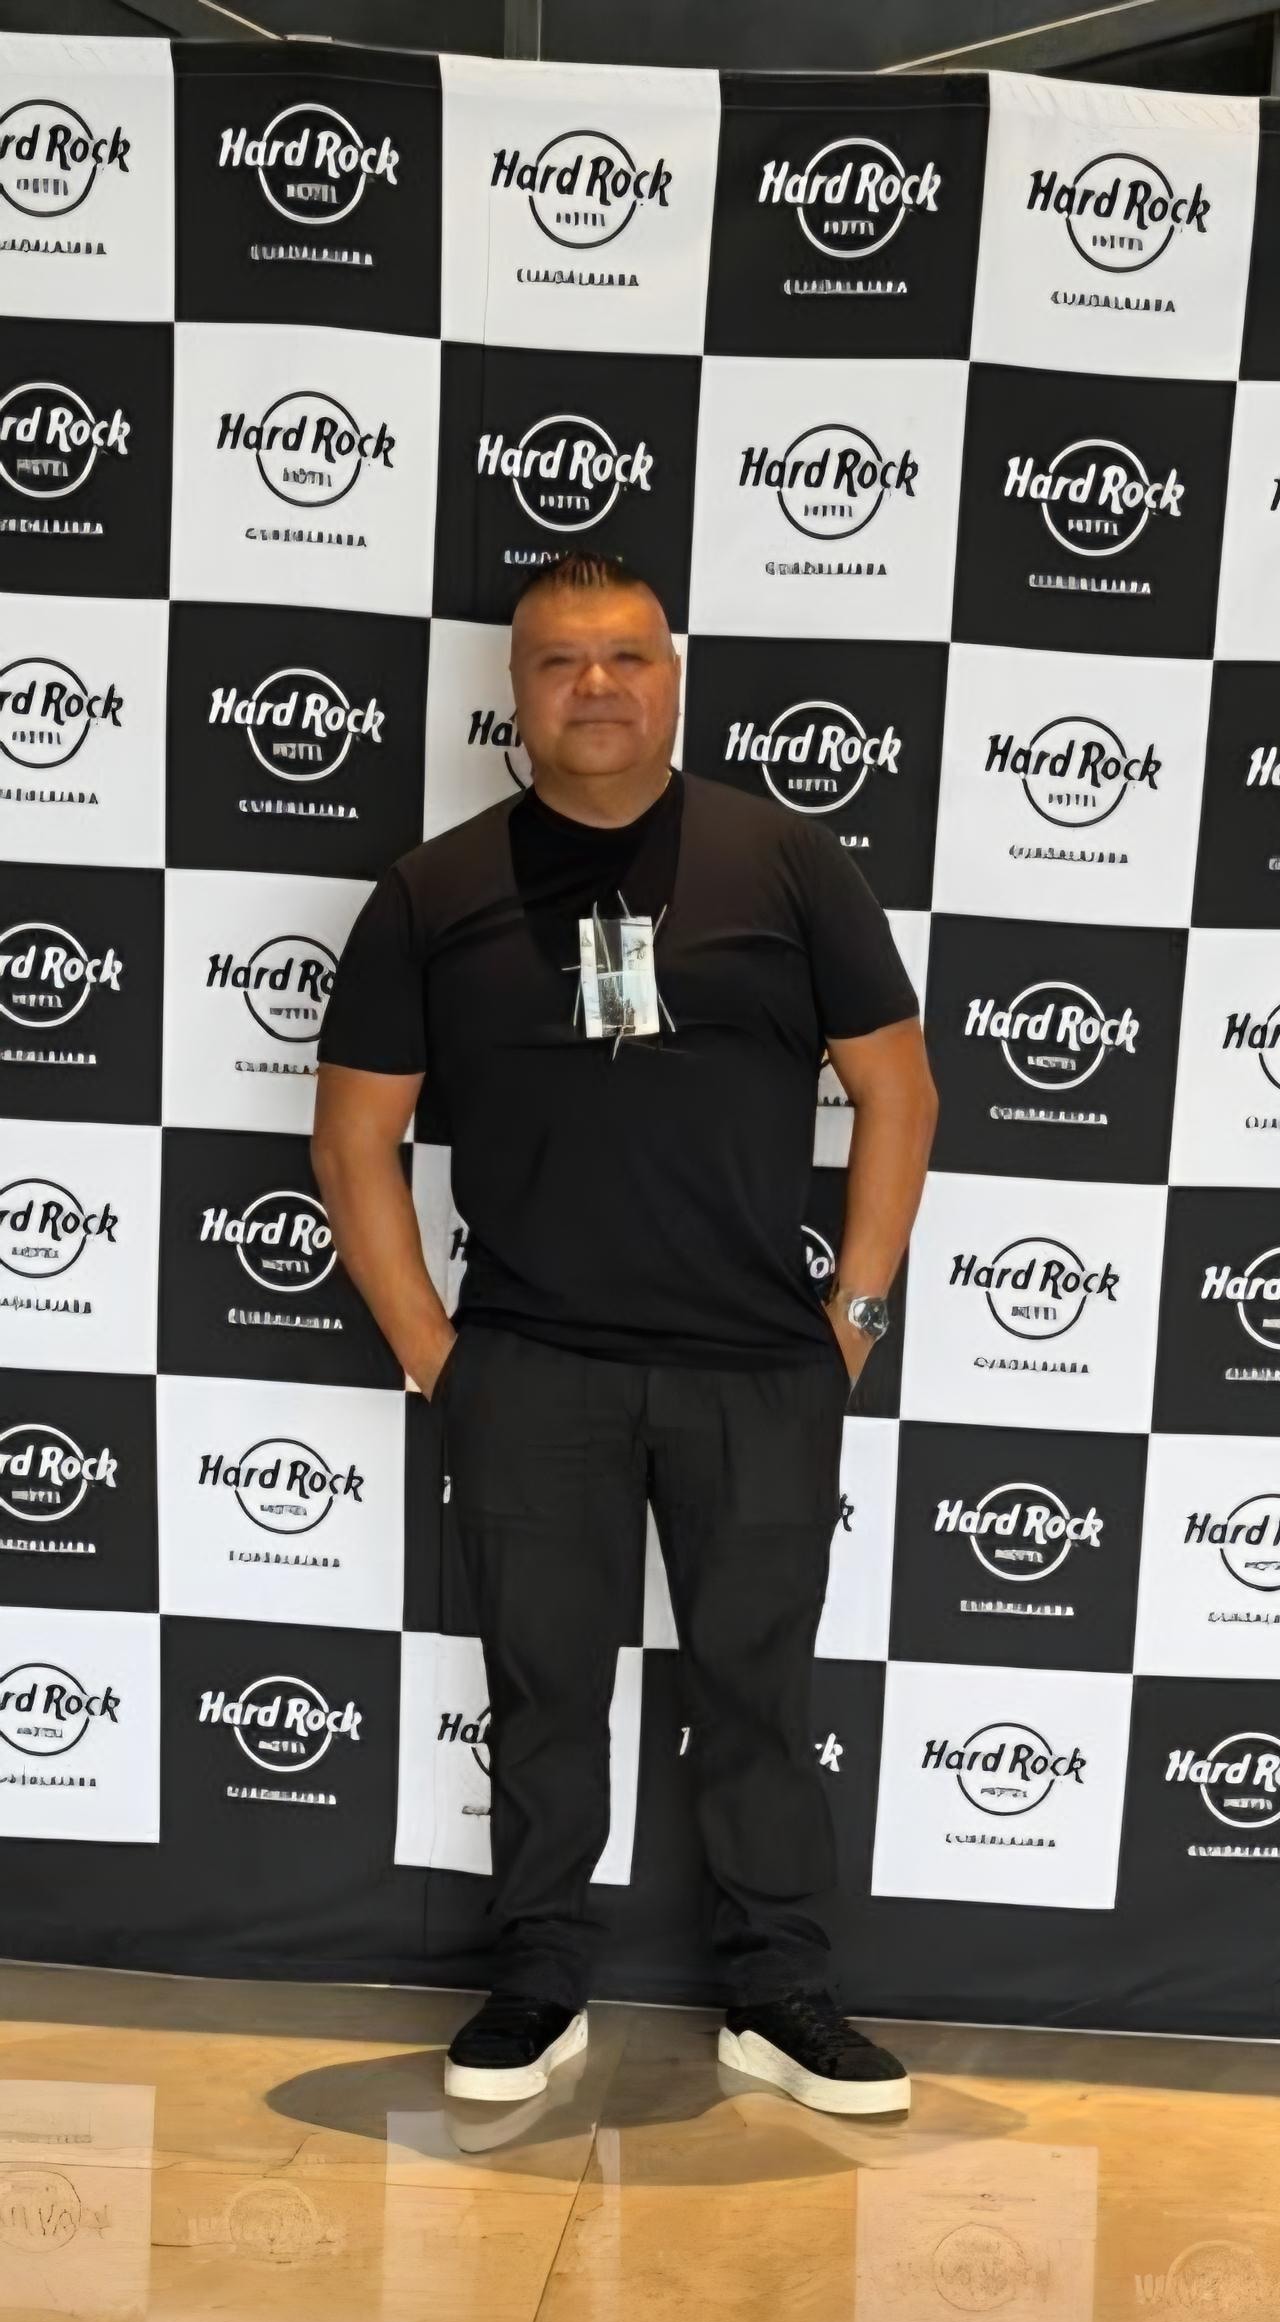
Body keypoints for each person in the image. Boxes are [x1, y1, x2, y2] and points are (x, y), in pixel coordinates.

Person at [312, 552, 936, 2111]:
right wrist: (437, 1354)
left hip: (760, 1373)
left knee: (758, 1697)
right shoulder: (433, 893)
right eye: (559, 662)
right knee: (543, 1696)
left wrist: (855, 1316)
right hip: (533, 1372)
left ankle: (779, 1996)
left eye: (627, 657)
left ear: (672, 679)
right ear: (514, 692)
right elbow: (353, 1139)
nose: (596, 685)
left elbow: (900, 1091)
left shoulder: (787, 863)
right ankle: (538, 1983)